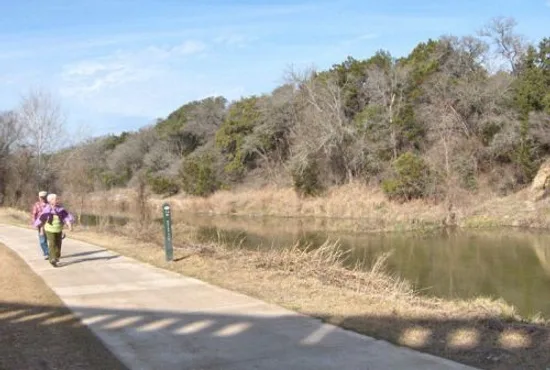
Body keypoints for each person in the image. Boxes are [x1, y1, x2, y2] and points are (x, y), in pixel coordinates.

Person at [34, 194, 74, 267]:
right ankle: (52, 259)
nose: (57, 200)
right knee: (52, 243)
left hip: (58, 229)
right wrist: (41, 230)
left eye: (57, 199)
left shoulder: (61, 209)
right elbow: (42, 220)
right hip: (49, 229)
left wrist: (69, 225)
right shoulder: (46, 209)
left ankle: (57, 256)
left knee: (58, 244)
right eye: (55, 199)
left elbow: (66, 217)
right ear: (50, 201)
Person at [31, 191, 49, 259]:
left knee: (51, 239)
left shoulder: (50, 204)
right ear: (39, 197)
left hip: (49, 224)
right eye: (41, 197)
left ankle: (52, 252)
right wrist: (34, 224)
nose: (43, 199)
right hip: (40, 225)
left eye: (44, 197)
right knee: (42, 240)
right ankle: (46, 252)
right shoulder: (37, 204)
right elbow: (34, 215)